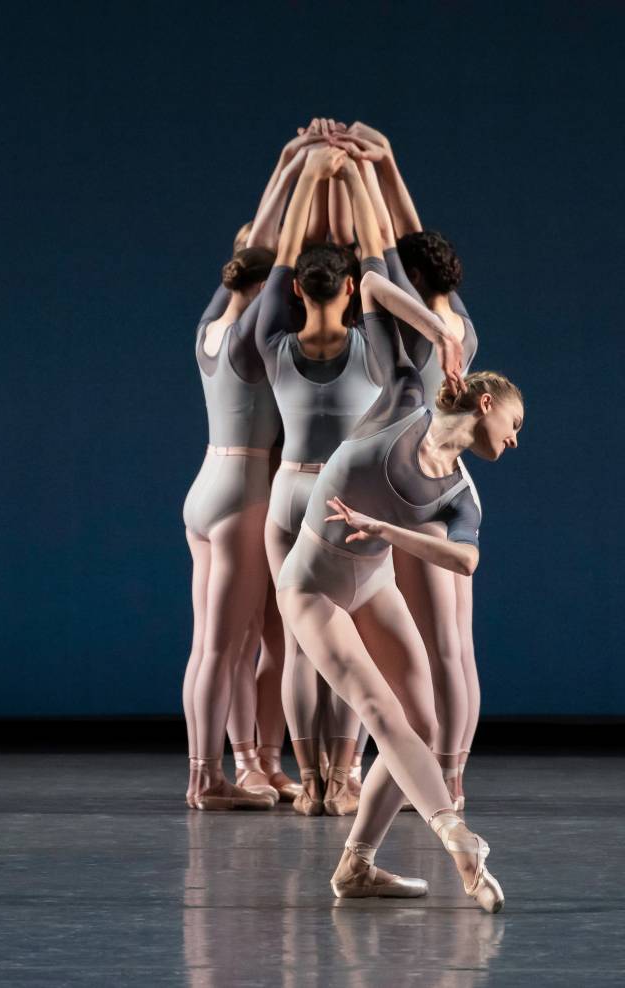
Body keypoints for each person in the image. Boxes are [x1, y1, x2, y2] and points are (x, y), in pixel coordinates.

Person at [276, 154, 522, 911]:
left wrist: (387, 528)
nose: (515, 441)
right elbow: (376, 284)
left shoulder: (459, 490)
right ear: (481, 406)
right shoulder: (403, 395)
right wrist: (438, 333)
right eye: (514, 425)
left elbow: (465, 560)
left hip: (372, 578)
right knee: (380, 712)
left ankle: (356, 864)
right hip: (312, 583)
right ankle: (456, 838)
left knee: (415, 717)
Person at [180, 135, 323, 810]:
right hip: (243, 492)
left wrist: (288, 164)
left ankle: (252, 764)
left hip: (208, 485)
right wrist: (300, 179)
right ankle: (207, 776)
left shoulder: (211, 323)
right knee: (222, 647)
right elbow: (278, 254)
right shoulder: (251, 331)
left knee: (237, 642)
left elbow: (256, 253)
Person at [255, 144, 398, 816]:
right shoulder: (373, 352)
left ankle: (307, 782)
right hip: (342, 505)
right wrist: (366, 175)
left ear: (294, 291)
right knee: (348, 644)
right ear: (348, 290)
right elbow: (383, 264)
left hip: (287, 496)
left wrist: (301, 178)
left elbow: (275, 264)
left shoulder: (274, 347)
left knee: (297, 648)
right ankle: (343, 781)